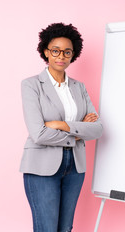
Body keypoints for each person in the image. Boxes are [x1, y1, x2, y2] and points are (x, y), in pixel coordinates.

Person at [19, 22, 103, 232]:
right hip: (42, 167)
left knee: (65, 228)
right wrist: (77, 132)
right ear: (46, 51)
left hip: (75, 167)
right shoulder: (31, 85)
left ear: (73, 54)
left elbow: (98, 129)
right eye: (55, 50)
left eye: (67, 52)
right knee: (47, 228)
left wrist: (62, 125)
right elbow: (38, 133)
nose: (61, 56)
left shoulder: (79, 87)